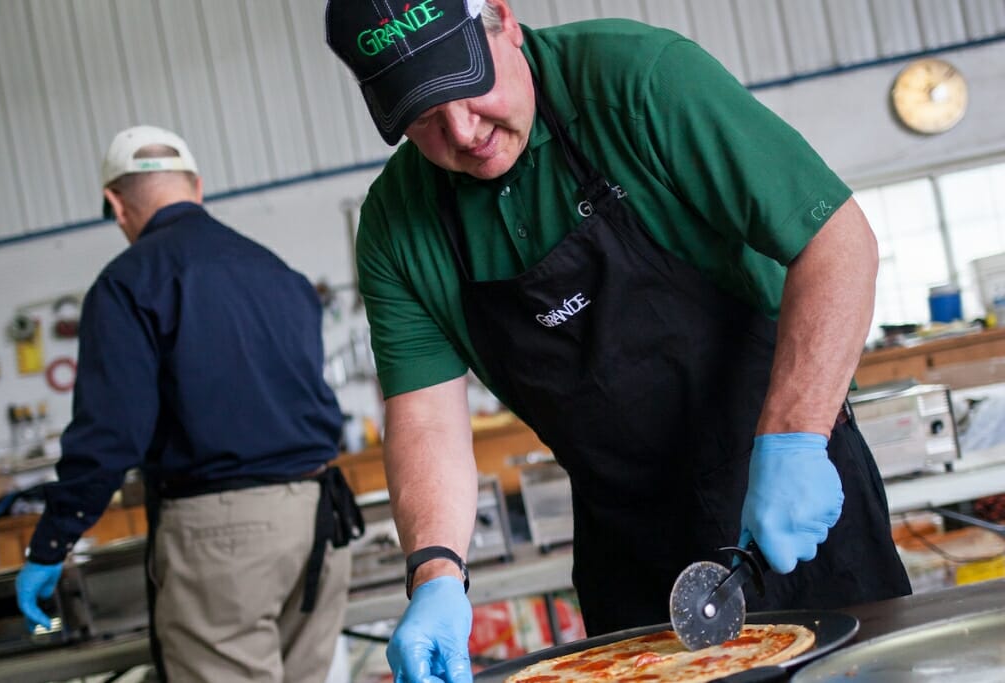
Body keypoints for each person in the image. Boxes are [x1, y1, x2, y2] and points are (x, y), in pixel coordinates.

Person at [325, 0, 912, 679]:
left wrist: (796, 435)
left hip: (786, 493)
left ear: (503, 22)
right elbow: (426, 416)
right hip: (627, 542)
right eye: (424, 116)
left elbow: (836, 242)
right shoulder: (397, 225)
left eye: (467, 85)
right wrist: (436, 575)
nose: (463, 130)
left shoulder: (638, 81)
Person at [15, 125, 362, 682]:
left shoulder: (127, 283)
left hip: (224, 537)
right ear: (197, 187)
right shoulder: (278, 272)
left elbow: (110, 434)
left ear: (115, 203)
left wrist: (53, 540)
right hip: (321, 517)